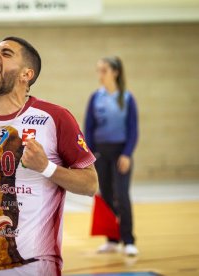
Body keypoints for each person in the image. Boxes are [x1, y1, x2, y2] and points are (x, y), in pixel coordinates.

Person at [0, 37, 98, 276]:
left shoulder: (55, 117)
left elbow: (91, 185)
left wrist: (46, 167)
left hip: (32, 263)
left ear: (26, 74)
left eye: (6, 53)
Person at [84, 56, 139, 256]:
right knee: (105, 196)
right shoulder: (95, 97)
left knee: (122, 196)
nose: (100, 74)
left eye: (104, 70)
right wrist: (89, 156)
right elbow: (88, 129)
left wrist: (127, 154)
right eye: (98, 70)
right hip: (100, 153)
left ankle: (129, 240)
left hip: (120, 153)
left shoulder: (127, 98)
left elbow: (133, 129)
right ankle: (112, 239)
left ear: (115, 72)